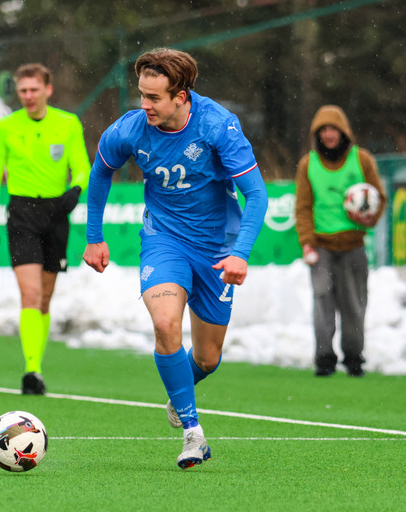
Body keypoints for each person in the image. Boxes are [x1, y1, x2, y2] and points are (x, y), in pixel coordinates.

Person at [83, 48, 268, 469]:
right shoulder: (130, 129)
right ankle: (193, 432)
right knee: (166, 323)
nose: (144, 105)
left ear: (181, 97)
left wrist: (240, 254)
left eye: (153, 98)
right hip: (163, 240)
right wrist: (94, 237)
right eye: (141, 95)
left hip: (217, 250)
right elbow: (101, 171)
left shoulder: (218, 126)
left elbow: (256, 195)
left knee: (207, 359)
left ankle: (180, 389)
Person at [0, 63, 91, 395]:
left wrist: (76, 190)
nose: (28, 96)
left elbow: (82, 167)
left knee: (44, 299)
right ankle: (32, 370)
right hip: (22, 216)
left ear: (48, 90)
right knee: (29, 295)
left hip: (56, 214)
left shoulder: (68, 123)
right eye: (22, 90)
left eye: (33, 89)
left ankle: (36, 364)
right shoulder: (6, 127)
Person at [294, 105, 386, 378]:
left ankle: (354, 357)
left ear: (343, 132)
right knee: (322, 300)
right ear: (317, 134)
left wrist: (369, 217)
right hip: (321, 246)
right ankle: (324, 358)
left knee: (354, 303)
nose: (328, 134)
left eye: (333, 129)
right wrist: (307, 242)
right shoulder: (307, 164)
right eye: (323, 130)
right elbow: (303, 207)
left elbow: (379, 197)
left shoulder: (362, 159)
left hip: (353, 245)